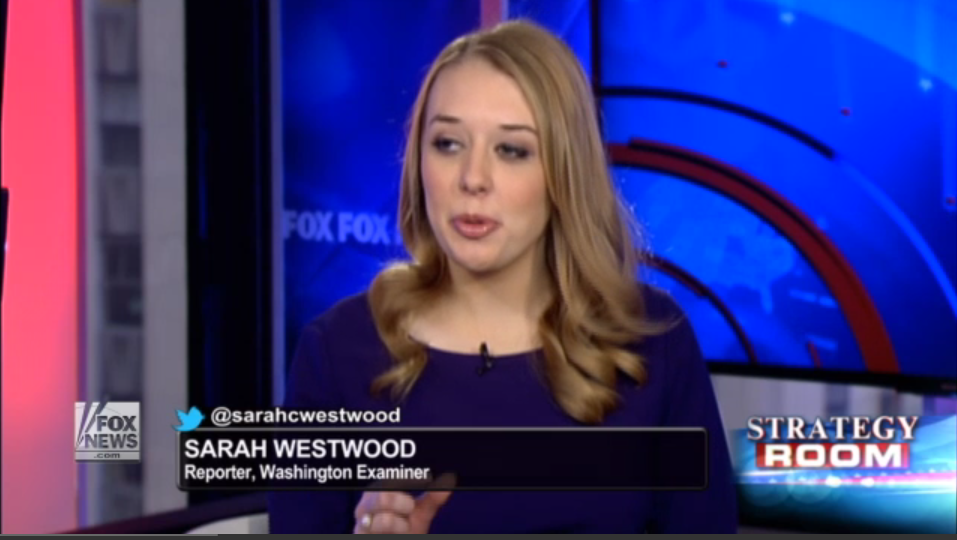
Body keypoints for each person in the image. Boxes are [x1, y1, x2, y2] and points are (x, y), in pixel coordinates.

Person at [268, 19, 737, 533]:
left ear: (564, 172)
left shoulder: (653, 342)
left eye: (512, 150)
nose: (473, 179)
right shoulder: (336, 352)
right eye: (448, 143)